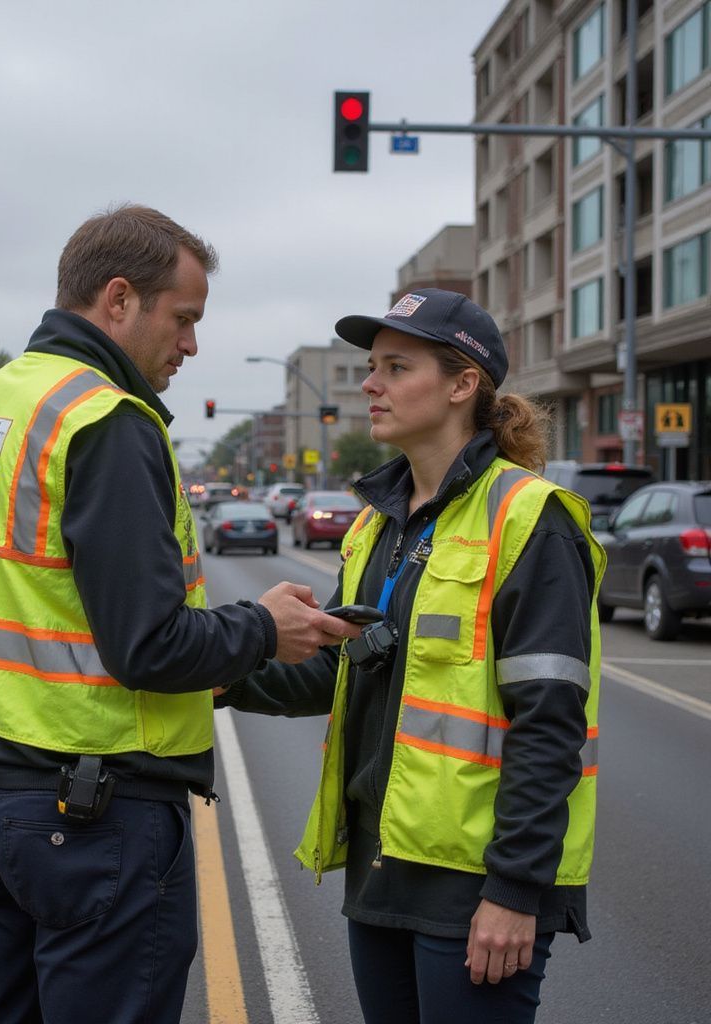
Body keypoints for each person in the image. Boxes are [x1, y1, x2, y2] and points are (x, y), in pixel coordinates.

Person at [0, 203, 359, 1024]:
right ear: (118, 299)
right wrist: (266, 627)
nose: (191, 345)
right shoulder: (104, 420)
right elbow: (149, 646)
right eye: (184, 318)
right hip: (91, 814)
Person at [218, 289, 605, 1024]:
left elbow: (551, 723)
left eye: (396, 367)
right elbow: (339, 670)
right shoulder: (377, 525)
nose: (371, 384)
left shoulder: (530, 519)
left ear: (462, 386)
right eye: (373, 367)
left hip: (476, 881)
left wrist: (516, 890)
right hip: (383, 859)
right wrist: (220, 673)